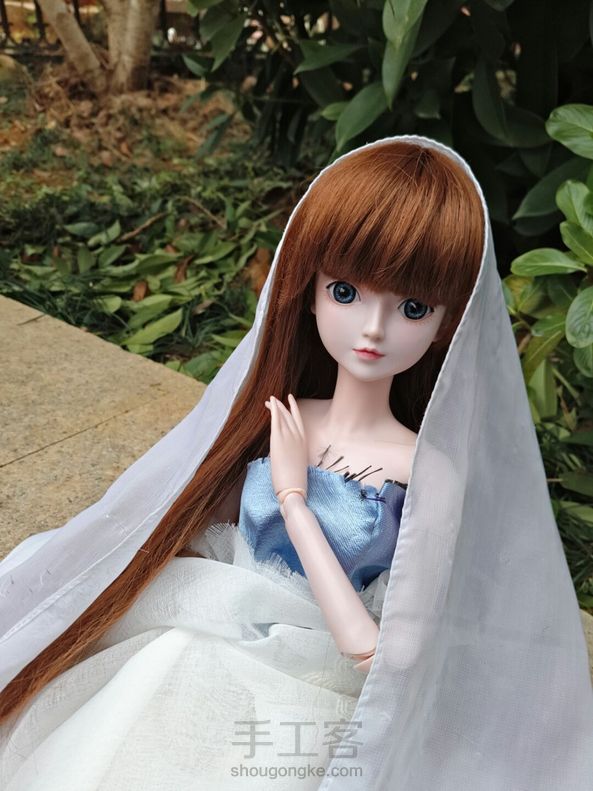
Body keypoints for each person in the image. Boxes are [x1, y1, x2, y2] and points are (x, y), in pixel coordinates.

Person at [0, 136, 591, 791]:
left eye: (411, 308)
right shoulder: (281, 416)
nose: (373, 328)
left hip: (309, 687)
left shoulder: (427, 472)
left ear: (446, 324)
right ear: (308, 290)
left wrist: (293, 500)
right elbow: (190, 527)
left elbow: (385, 655)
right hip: (203, 634)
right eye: (346, 291)